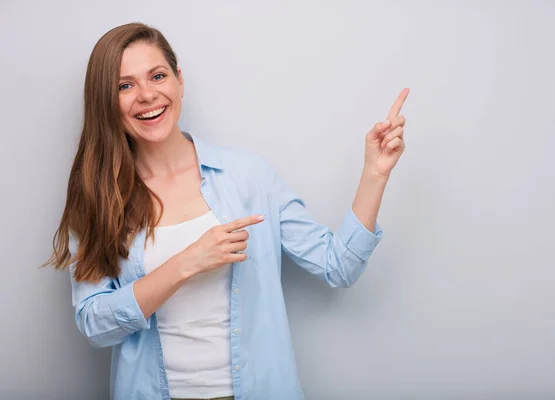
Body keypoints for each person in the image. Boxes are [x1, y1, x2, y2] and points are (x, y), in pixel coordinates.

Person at [44, 22, 409, 400]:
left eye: (157, 76)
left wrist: (374, 174)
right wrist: (186, 262)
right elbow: (94, 325)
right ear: (106, 99)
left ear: (179, 80)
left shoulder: (249, 177)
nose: (147, 95)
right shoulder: (98, 197)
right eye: (125, 85)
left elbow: (339, 266)